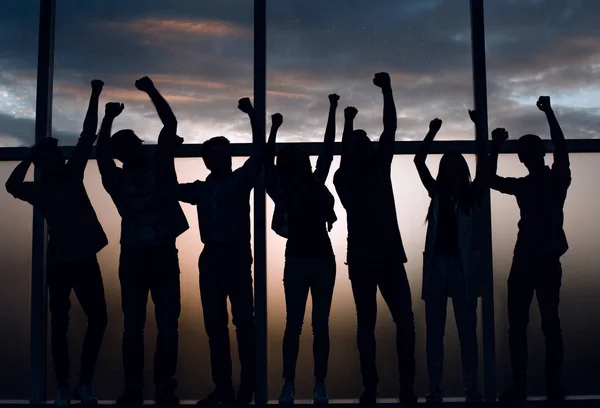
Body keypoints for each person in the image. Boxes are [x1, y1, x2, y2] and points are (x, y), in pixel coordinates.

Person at [6, 80, 108, 407]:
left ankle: (72, 385)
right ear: (48, 161)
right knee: (73, 321)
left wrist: (95, 95)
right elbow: (12, 184)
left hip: (69, 259)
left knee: (70, 322)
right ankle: (73, 385)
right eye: (52, 156)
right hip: (68, 260)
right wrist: (31, 156)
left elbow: (86, 135)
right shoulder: (58, 180)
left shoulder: (58, 180)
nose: (60, 158)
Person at [96, 77, 189, 407]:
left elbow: (170, 123)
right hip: (144, 256)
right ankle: (145, 388)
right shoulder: (127, 175)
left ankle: (154, 387)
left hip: (151, 254)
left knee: (155, 326)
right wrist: (109, 119)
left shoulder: (137, 171)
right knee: (143, 327)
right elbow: (102, 153)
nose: (134, 150)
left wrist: (149, 92)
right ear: (123, 153)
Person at [333, 73, 417, 406]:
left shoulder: (345, 177)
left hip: (367, 257)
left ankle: (374, 388)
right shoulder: (375, 169)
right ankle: (402, 387)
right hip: (383, 256)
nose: (368, 143)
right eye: (362, 141)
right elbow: (390, 130)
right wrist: (387, 91)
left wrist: (348, 121)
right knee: (400, 320)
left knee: (368, 323)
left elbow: (387, 131)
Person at [175, 98, 265, 406]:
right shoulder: (203, 189)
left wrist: (253, 115)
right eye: (217, 155)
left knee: (241, 324)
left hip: (233, 256)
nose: (222, 158)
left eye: (224, 153)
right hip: (214, 257)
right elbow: (170, 188)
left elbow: (260, 153)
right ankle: (227, 388)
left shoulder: (237, 181)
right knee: (218, 326)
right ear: (208, 161)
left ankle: (245, 387)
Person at [491, 96, 570, 402]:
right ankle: (541, 386)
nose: (534, 154)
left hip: (536, 259)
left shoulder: (551, 180)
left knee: (532, 326)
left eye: (535, 148)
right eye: (530, 150)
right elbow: (489, 179)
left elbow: (561, 149)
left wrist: (550, 112)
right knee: (532, 326)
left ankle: (535, 385)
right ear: (526, 157)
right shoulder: (549, 181)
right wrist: (496, 146)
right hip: (532, 259)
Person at [266, 95, 340, 405]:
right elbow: (325, 154)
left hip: (307, 259)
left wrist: (274, 129)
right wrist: (332, 110)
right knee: (310, 324)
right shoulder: (301, 186)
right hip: (313, 259)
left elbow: (324, 153)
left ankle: (295, 385)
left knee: (298, 324)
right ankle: (308, 384)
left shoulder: (287, 188)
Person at [414, 112, 490, 403]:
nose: (451, 173)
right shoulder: (438, 193)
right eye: (447, 168)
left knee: (466, 330)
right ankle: (436, 388)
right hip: (439, 266)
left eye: (455, 168)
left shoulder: (471, 195)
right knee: (436, 331)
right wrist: (431, 132)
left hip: (460, 266)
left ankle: (469, 387)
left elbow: (485, 168)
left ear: (462, 171)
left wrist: (479, 129)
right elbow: (419, 162)